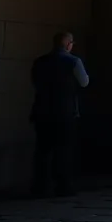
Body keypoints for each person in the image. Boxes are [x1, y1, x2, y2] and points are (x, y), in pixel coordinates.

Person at [30, 31, 89, 197]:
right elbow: (84, 82)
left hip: (42, 110)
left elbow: (35, 82)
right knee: (63, 149)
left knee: (42, 150)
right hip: (65, 111)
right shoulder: (73, 61)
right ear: (68, 44)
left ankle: (40, 186)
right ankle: (63, 186)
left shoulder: (40, 61)